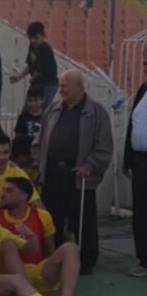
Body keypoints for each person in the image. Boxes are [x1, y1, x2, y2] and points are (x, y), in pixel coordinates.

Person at [32, 69, 113, 275]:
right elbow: (40, 140)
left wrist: (90, 165)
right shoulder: (53, 109)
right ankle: (56, 258)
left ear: (79, 86)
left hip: (78, 174)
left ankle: (86, 261)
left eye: (65, 85)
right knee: (52, 219)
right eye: (60, 85)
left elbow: (104, 146)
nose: (61, 89)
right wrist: (38, 165)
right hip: (53, 172)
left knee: (83, 219)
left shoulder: (96, 112)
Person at [0, 177, 82, 296]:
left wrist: (54, 270)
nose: (2, 194)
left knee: (70, 248)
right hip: (7, 274)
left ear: (23, 196)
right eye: (3, 190)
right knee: (8, 243)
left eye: (9, 191)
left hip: (35, 271)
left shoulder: (41, 215)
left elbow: (49, 248)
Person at [124, 49, 147, 277]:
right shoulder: (143, 89)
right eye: (145, 63)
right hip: (140, 161)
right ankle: (144, 259)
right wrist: (127, 159)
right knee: (140, 212)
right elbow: (133, 126)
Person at [10, 21, 58, 108]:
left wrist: (33, 78)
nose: (33, 41)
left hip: (48, 84)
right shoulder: (32, 47)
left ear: (43, 36)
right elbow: (30, 65)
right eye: (30, 38)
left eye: (35, 38)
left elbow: (41, 70)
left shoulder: (45, 50)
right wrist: (19, 77)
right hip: (37, 83)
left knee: (39, 108)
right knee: (28, 108)